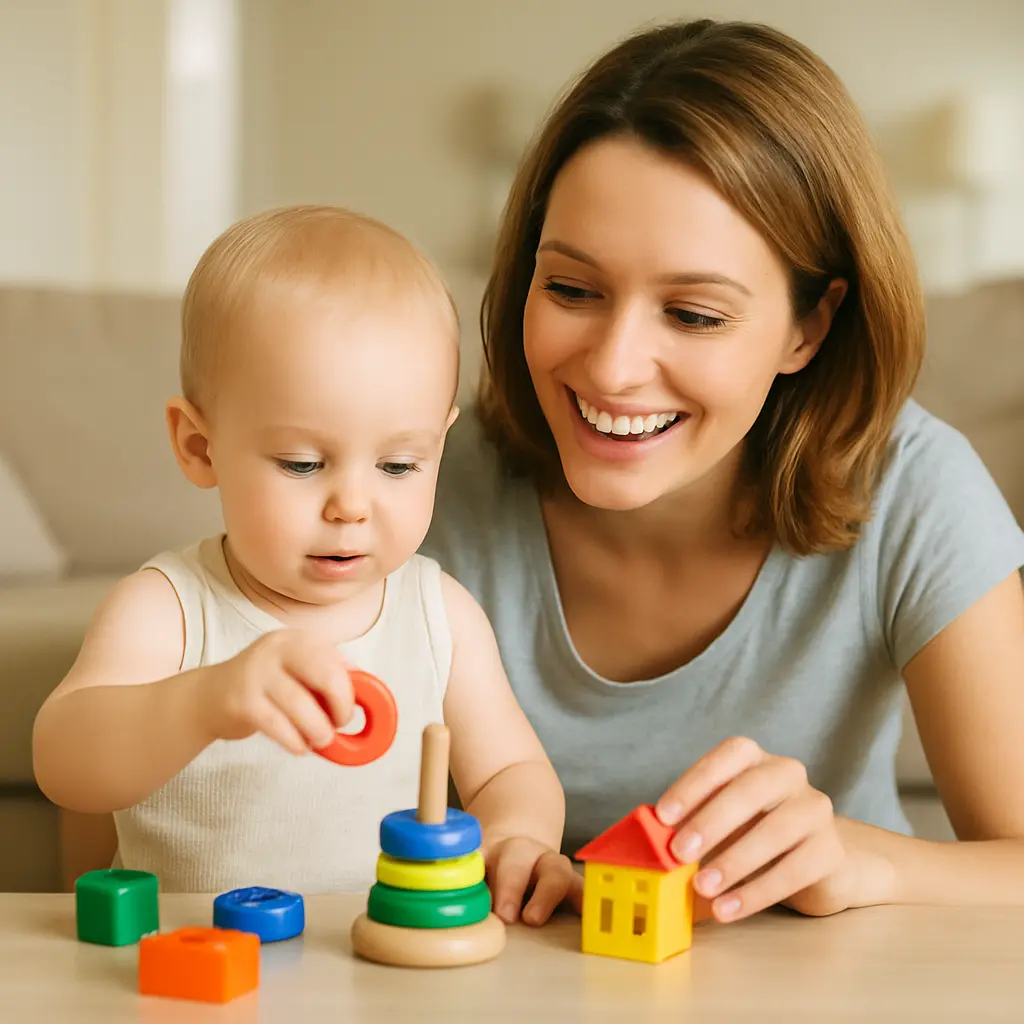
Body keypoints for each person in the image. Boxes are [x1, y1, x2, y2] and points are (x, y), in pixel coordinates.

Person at [420, 18, 1024, 926]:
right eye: (573, 290)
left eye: (695, 314)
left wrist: (870, 863)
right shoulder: (419, 484)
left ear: (808, 328)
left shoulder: (914, 490)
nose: (614, 366)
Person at [32, 206, 578, 924]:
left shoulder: (438, 615)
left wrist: (516, 834)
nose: (352, 505)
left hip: (376, 953)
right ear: (200, 447)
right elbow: (67, 764)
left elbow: (512, 770)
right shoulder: (167, 608)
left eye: (398, 464)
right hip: (191, 960)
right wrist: (204, 701)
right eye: (302, 463)